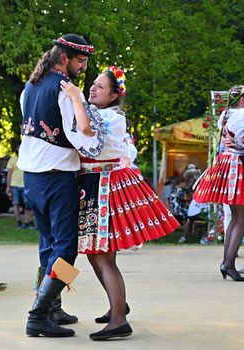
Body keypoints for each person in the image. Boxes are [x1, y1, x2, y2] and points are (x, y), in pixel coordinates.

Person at [61, 66, 180, 340]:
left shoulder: (110, 118)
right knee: (95, 254)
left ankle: (118, 320)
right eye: (93, 83)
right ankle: (118, 305)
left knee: (103, 255)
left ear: (114, 96)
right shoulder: (101, 113)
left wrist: (76, 98)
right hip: (93, 184)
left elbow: (86, 129)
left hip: (105, 185)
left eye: (100, 87)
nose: (92, 87)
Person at [18, 33, 105, 338]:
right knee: (67, 249)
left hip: (32, 176)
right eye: (81, 61)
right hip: (57, 176)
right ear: (65, 58)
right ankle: (39, 314)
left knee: (48, 245)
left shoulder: (30, 86)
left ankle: (52, 305)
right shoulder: (66, 89)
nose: (83, 68)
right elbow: (82, 135)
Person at [193, 85, 244, 281]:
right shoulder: (242, 116)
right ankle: (228, 264)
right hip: (237, 165)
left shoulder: (227, 115)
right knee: (240, 218)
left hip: (227, 163)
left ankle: (227, 262)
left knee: (235, 217)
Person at [5, 147, 35, 229]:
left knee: (28, 204)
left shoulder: (27, 158)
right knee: (16, 203)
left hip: (26, 185)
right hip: (14, 185)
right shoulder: (12, 159)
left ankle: (28, 221)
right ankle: (19, 221)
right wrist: (8, 187)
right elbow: (9, 174)